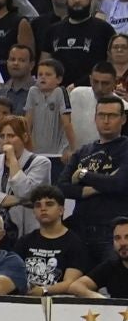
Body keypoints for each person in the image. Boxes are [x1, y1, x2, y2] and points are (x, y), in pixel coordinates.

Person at [67, 95, 128, 258]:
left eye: (112, 116)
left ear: (123, 119)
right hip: (79, 230)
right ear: (95, 118)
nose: (106, 120)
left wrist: (83, 174)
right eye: (101, 115)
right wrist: (101, 185)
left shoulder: (125, 148)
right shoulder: (82, 151)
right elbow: (62, 187)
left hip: (113, 233)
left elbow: (119, 184)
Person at [14, 186, 92, 296]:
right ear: (34, 212)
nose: (43, 209)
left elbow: (70, 283)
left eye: (49, 204)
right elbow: (13, 275)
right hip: (24, 301)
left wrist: (44, 290)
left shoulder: (75, 243)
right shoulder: (24, 241)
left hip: (59, 304)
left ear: (61, 210)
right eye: (38, 205)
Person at [69, 218, 128, 298]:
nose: (123, 243)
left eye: (127, 237)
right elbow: (76, 286)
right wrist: (99, 298)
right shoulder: (110, 267)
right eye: (117, 238)